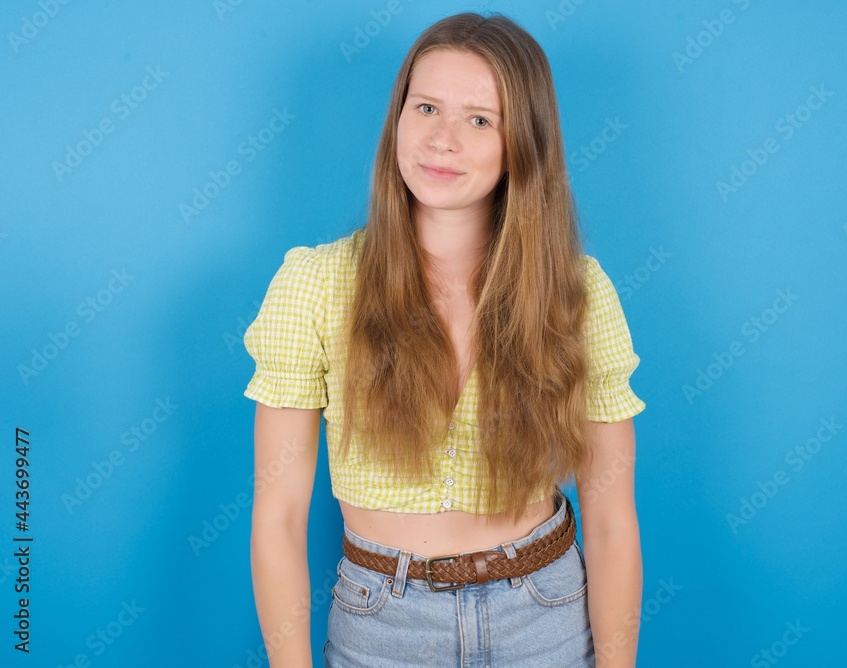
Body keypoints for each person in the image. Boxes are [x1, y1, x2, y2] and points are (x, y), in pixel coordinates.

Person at [243, 11, 646, 668]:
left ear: (523, 142)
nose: (442, 140)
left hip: (544, 614)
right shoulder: (314, 285)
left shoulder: (578, 291)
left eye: (480, 120)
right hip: (382, 625)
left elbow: (610, 518)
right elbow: (279, 518)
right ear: (398, 119)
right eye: (426, 107)